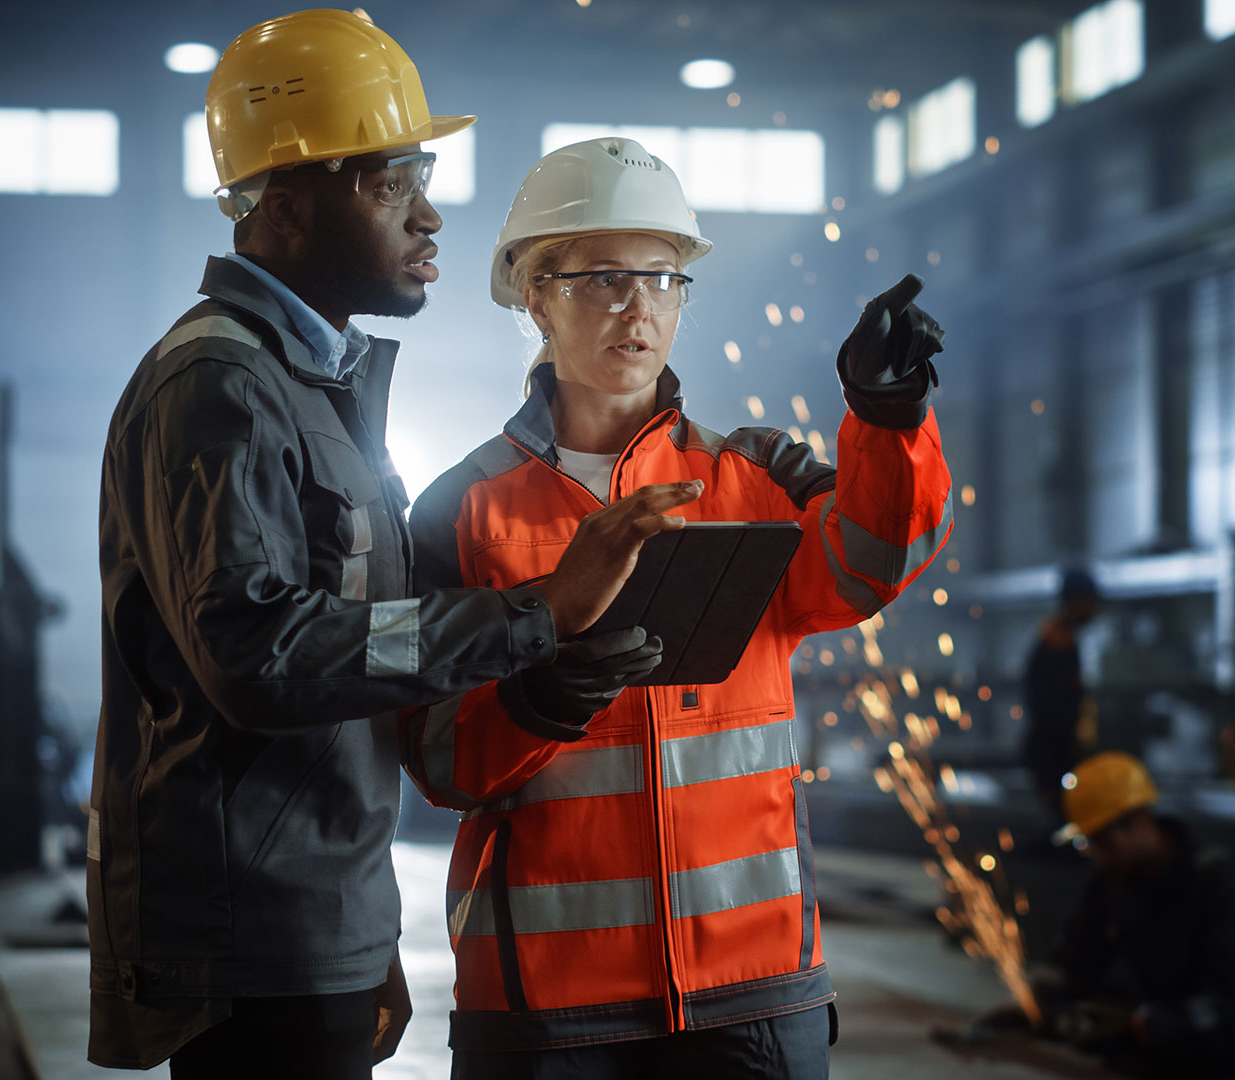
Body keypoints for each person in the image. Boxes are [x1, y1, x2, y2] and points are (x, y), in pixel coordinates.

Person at [89, 16, 694, 1076]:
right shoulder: (220, 385)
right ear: (284, 208)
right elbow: (257, 657)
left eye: (423, 177)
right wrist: (537, 614)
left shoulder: (307, 385)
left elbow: (351, 666)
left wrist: (362, 929)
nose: (428, 213)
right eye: (388, 185)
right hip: (248, 939)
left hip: (312, 913)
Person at [401, 137, 955, 1079]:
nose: (639, 307)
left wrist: (888, 415)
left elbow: (872, 564)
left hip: (754, 986)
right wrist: (540, 698)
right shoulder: (461, 510)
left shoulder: (753, 477)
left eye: (662, 279)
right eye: (604, 278)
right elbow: (437, 757)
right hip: (546, 1006)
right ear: (536, 299)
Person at [1033, 752, 1235, 1079]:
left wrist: (1144, 1021)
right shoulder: (1114, 879)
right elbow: (1076, 954)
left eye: (1104, 843)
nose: (1098, 857)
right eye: (1089, 844)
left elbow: (1231, 999)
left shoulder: (1213, 881)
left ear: (1140, 821)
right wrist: (1038, 999)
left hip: (1232, 1060)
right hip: (1165, 1055)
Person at [1022, 566, 1103, 821]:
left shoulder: (1065, 643)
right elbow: (1050, 712)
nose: (1093, 610)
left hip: (1058, 753)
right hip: (1052, 756)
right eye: (1089, 602)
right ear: (1075, 603)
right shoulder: (1054, 647)